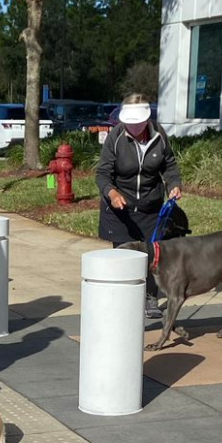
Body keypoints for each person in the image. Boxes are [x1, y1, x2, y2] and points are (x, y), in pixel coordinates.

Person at [95, 93, 182, 318]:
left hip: (150, 207)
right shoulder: (115, 137)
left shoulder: (159, 135)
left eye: (137, 123)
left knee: (152, 254)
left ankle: (150, 298)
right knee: (124, 255)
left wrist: (173, 184)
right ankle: (123, 299)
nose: (132, 127)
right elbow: (103, 174)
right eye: (129, 123)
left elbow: (169, 165)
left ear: (146, 119)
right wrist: (111, 193)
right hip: (120, 208)